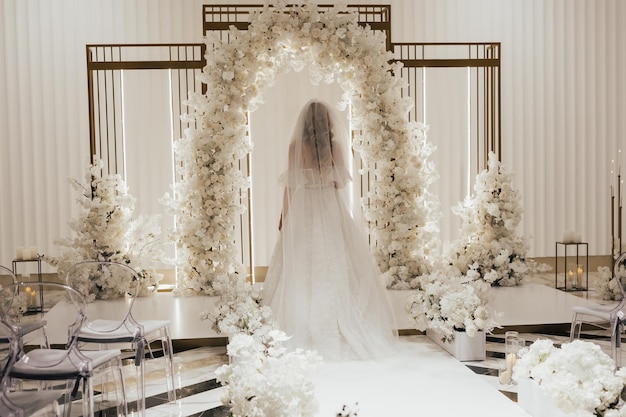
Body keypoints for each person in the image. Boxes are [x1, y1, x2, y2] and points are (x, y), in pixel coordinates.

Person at [262, 100, 399, 361]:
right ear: (327, 123)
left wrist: (284, 216)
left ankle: (295, 326)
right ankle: (339, 321)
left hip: (303, 205)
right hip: (328, 204)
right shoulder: (334, 147)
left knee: (301, 264)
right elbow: (338, 184)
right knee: (335, 261)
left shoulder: (294, 147)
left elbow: (290, 187)